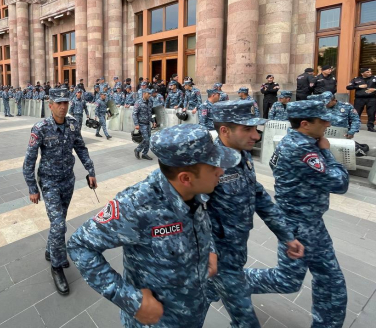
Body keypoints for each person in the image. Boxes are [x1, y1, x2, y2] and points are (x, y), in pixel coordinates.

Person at [68, 124, 241, 328]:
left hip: (195, 308)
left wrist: (210, 249)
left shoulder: (197, 188)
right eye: (214, 167)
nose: (221, 171)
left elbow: (201, 222)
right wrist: (130, 300)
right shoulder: (136, 206)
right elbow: (79, 245)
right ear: (185, 178)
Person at [245, 100, 349, 328]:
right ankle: (228, 280)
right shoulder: (302, 149)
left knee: (330, 280)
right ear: (305, 123)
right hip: (299, 224)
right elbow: (340, 183)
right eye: (322, 120)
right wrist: (327, 152)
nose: (328, 123)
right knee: (287, 281)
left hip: (306, 221)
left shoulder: (293, 140)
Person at [208, 100, 304, 328]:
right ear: (225, 130)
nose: (256, 136)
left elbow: (259, 196)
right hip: (218, 258)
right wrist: (210, 253)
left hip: (237, 248)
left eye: (256, 129)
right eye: (248, 129)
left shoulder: (241, 154)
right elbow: (192, 215)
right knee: (247, 321)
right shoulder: (208, 163)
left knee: (210, 292)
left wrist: (287, 235)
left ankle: (208, 290)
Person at [22, 87, 97, 295]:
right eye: (59, 103)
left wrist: (90, 170)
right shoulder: (40, 128)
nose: (63, 107)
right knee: (58, 225)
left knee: (60, 220)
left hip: (68, 180)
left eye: (66, 103)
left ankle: (50, 250)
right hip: (49, 182)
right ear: (51, 105)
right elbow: (29, 160)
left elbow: (81, 147)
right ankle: (56, 266)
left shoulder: (73, 124)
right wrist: (32, 187)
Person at [346, 67, 376, 132]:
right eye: (367, 72)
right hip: (359, 99)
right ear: (362, 73)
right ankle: (354, 126)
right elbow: (348, 87)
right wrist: (358, 86)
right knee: (356, 113)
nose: (370, 73)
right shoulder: (356, 79)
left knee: (371, 113)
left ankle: (370, 127)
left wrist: (374, 89)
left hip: (371, 98)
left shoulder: (374, 78)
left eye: (370, 72)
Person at [133, 89, 155, 160]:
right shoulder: (138, 102)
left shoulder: (150, 102)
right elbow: (134, 114)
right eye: (148, 94)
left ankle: (144, 154)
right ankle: (138, 149)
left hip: (148, 124)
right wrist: (136, 124)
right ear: (144, 94)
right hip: (141, 124)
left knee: (149, 140)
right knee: (146, 139)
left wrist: (153, 121)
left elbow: (150, 113)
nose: (150, 95)